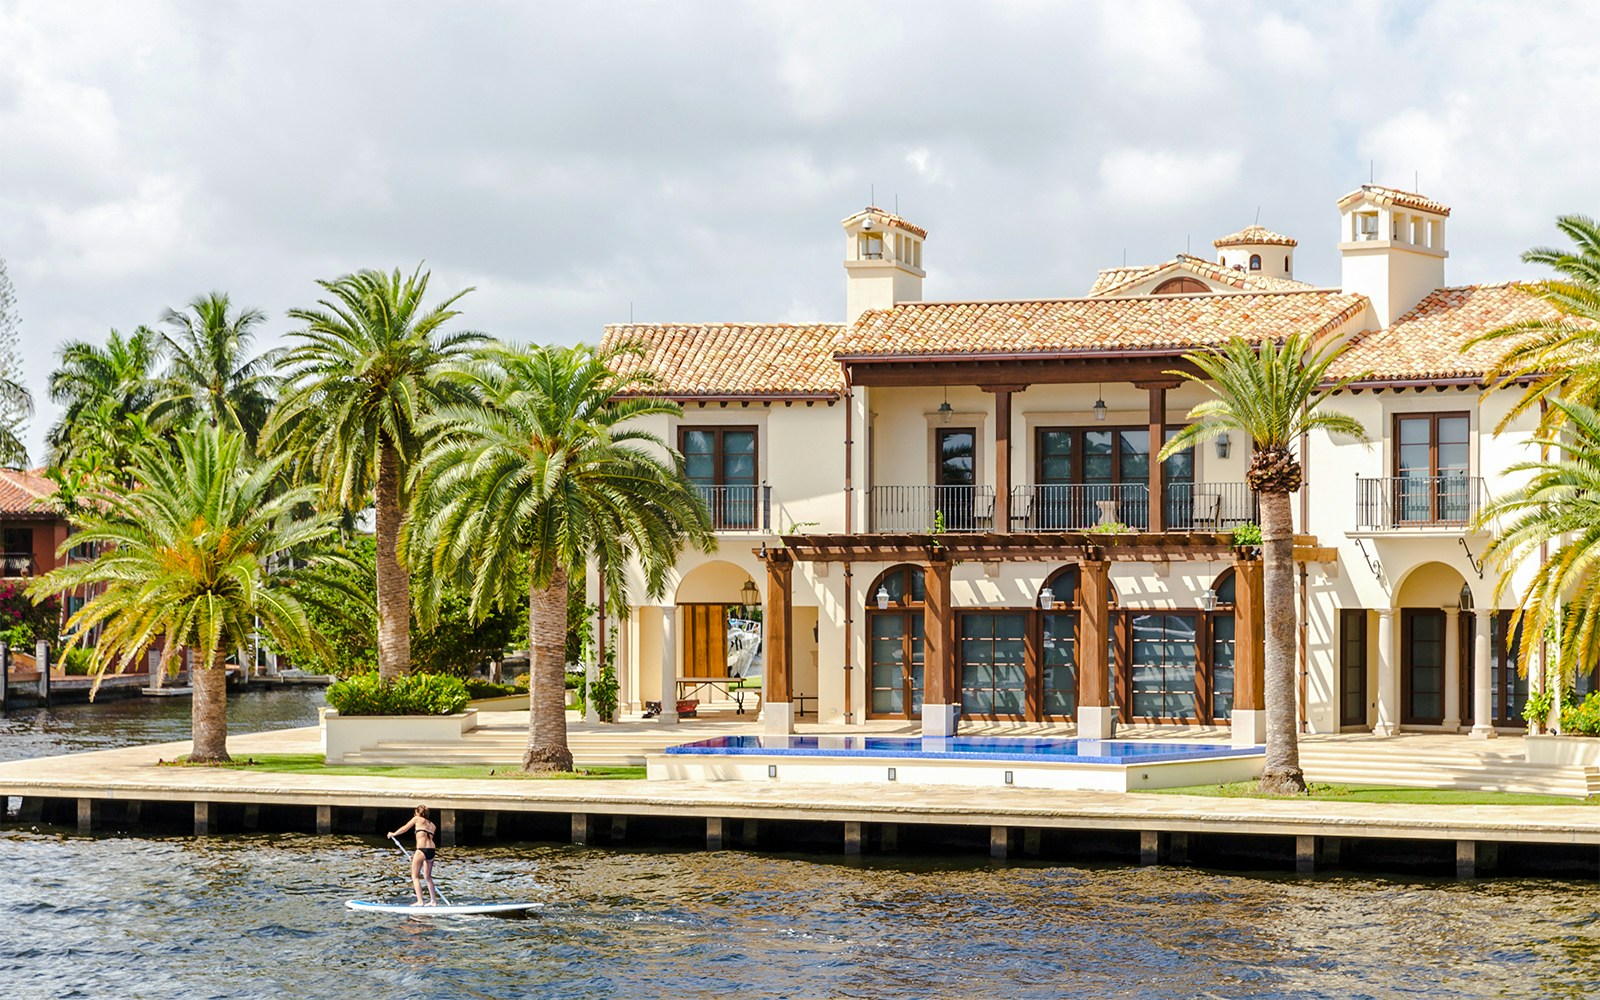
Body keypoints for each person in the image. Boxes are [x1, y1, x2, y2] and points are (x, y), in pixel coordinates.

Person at [388, 805, 440, 906]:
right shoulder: (433, 825)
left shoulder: (417, 819)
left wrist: (394, 834)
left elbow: (405, 828)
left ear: (418, 813)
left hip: (421, 850)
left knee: (415, 876)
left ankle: (420, 901)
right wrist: (416, 856)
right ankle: (433, 901)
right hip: (431, 851)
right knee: (428, 877)